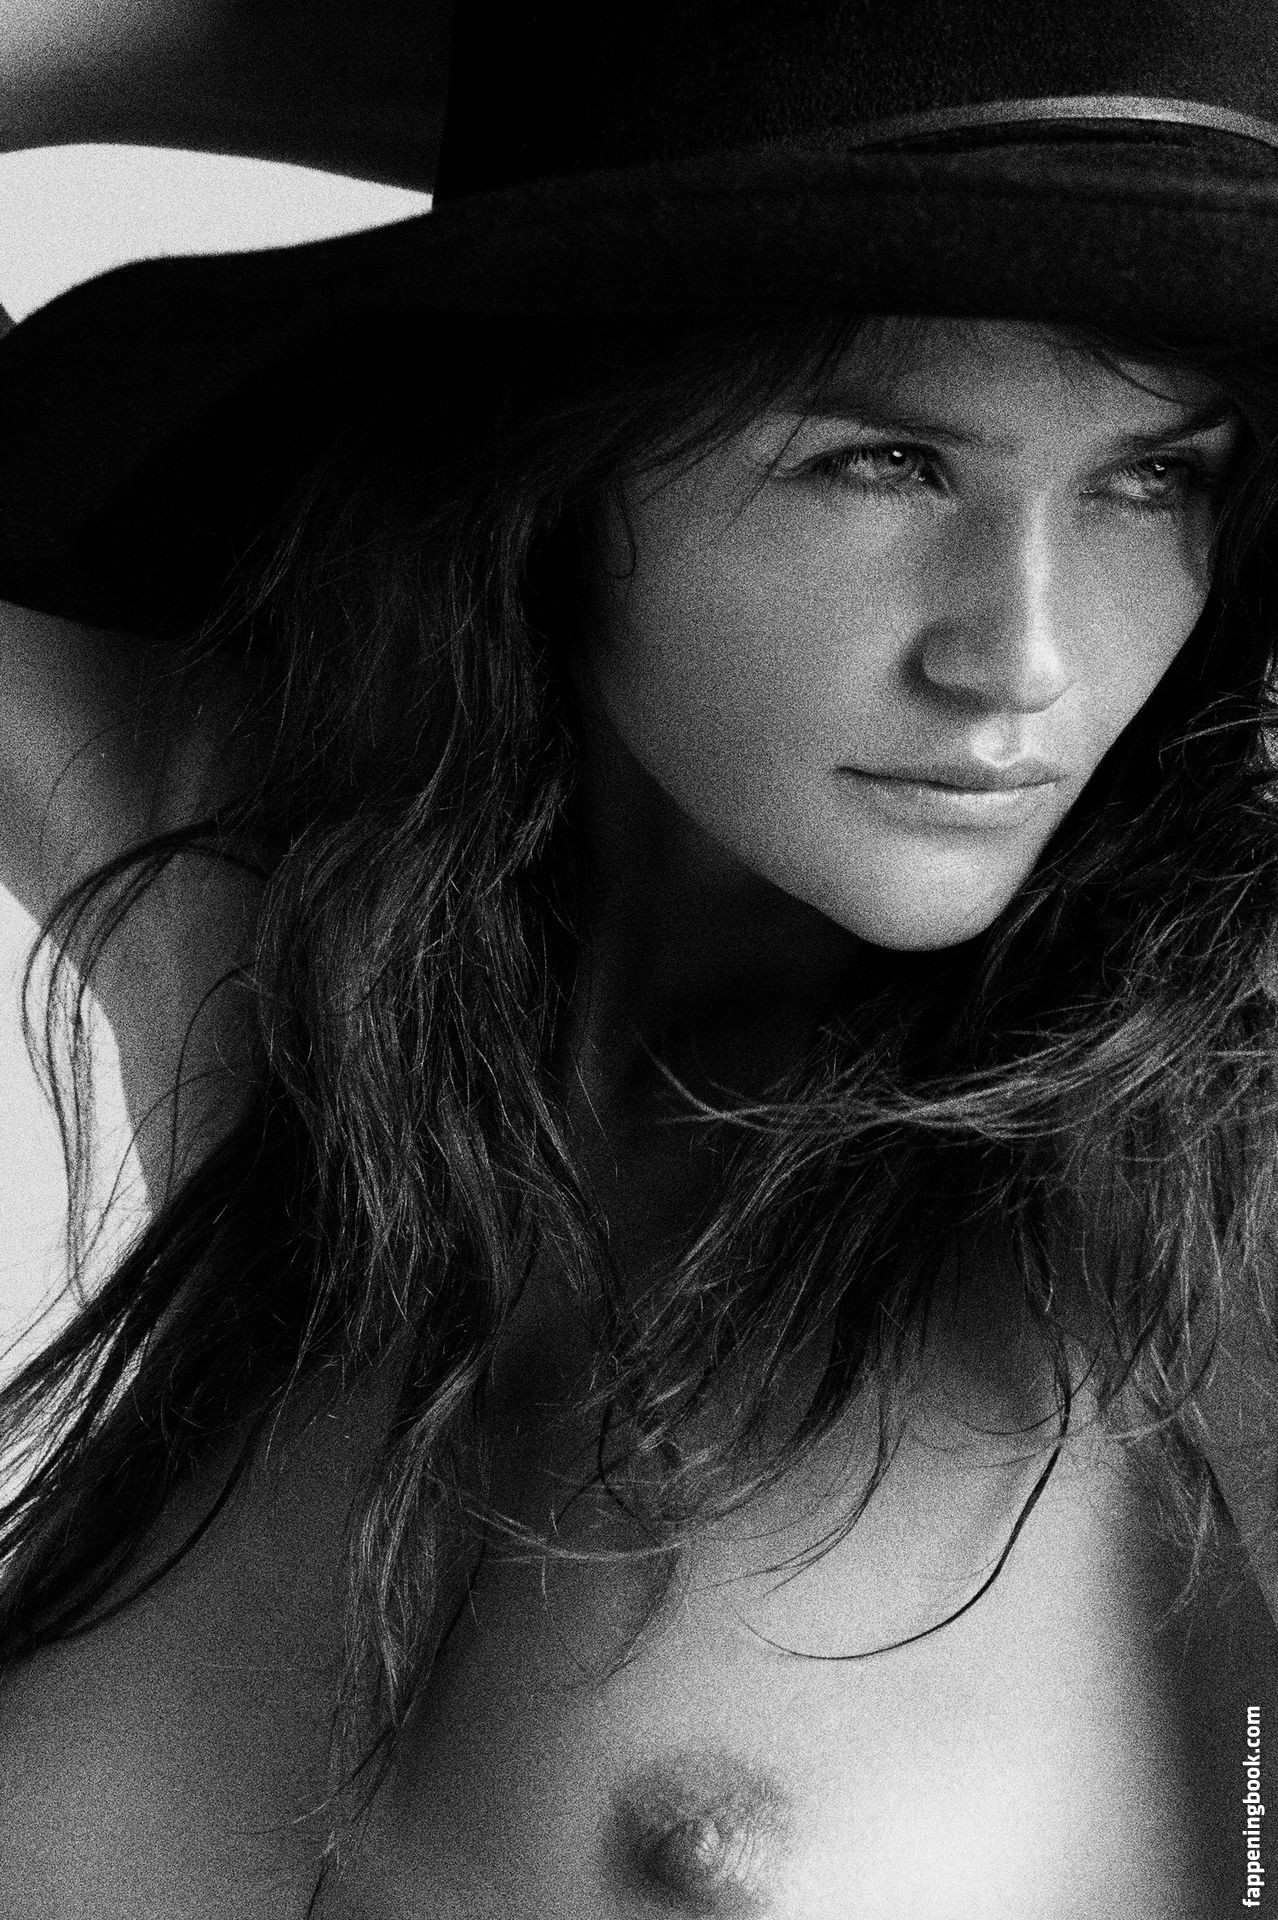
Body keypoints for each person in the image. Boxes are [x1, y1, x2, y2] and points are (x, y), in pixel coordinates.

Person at [0, 3, 1276, 1914]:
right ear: (553, 466)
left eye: (1152, 479)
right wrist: (536, 70)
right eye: (883, 461)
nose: (1019, 659)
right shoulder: (273, 968)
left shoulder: (1208, 1185)